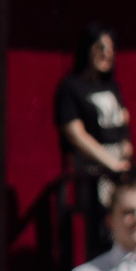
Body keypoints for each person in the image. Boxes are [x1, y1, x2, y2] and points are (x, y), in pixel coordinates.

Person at [55, 23, 131, 258]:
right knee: (100, 229)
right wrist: (109, 163)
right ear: (87, 49)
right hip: (93, 167)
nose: (106, 53)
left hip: (121, 165)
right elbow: (75, 134)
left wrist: (125, 159)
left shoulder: (111, 85)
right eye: (100, 47)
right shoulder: (70, 87)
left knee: (124, 223)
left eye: (111, 48)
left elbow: (123, 126)